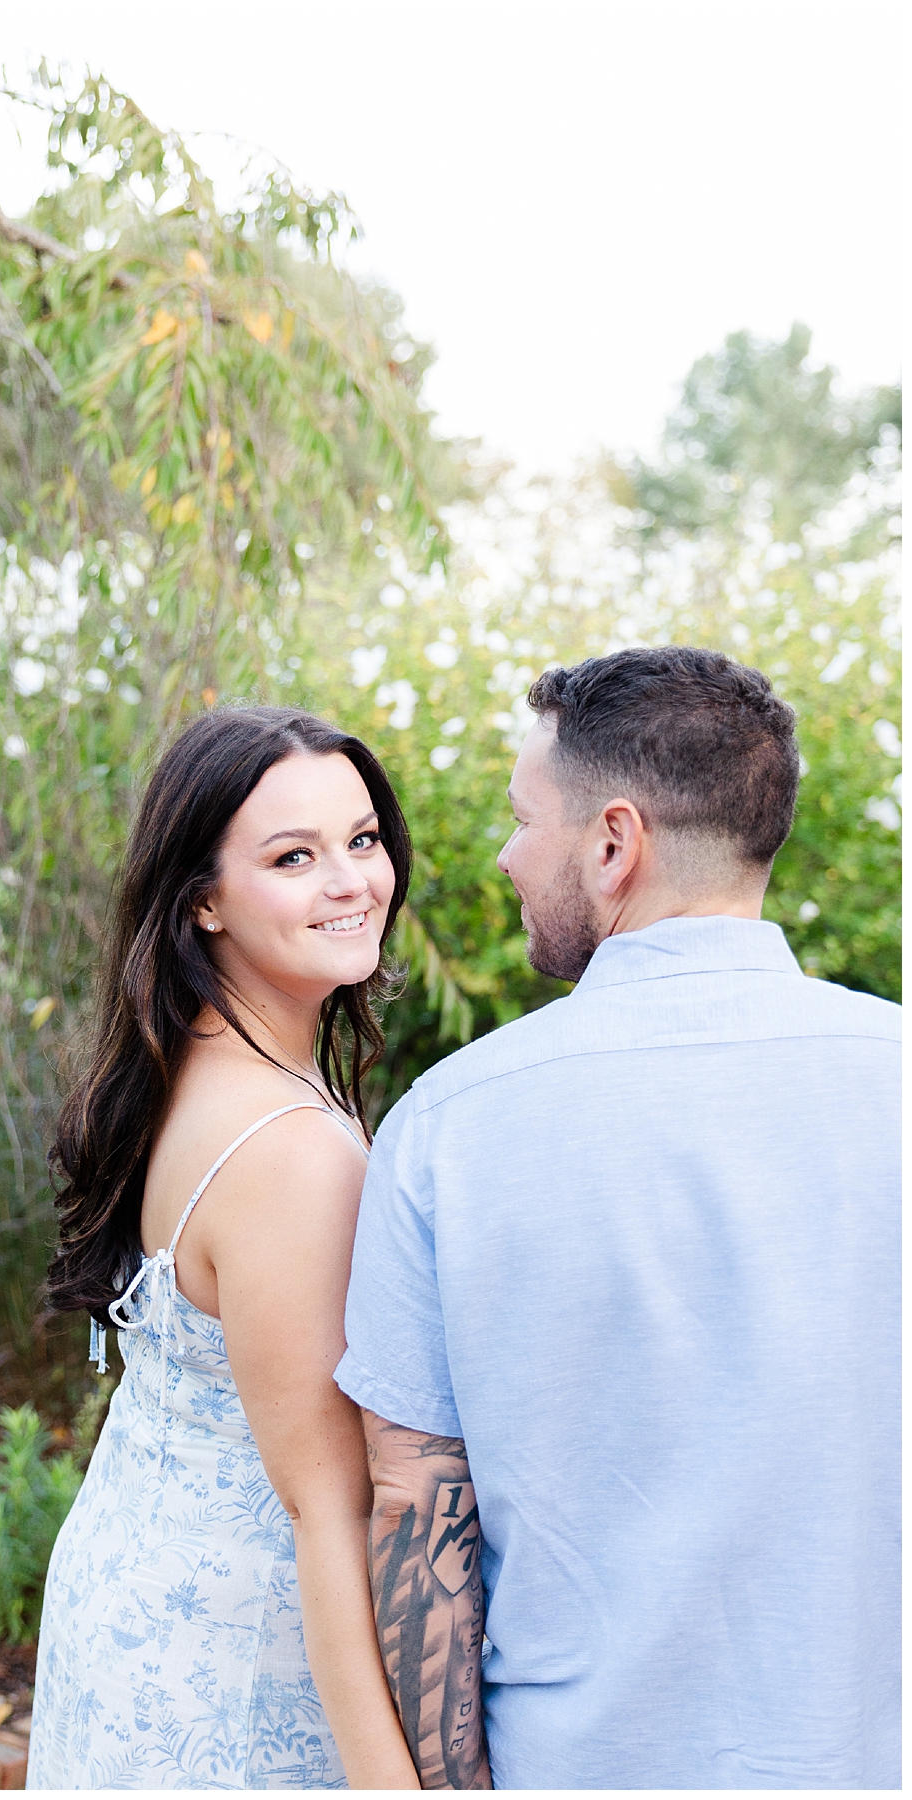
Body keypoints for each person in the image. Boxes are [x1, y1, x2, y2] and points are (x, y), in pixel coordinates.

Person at [339, 646, 901, 1788]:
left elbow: (411, 1502)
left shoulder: (448, 1126)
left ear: (611, 843)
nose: (503, 855)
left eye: (519, 819)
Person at [27, 706, 420, 1789]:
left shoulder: (181, 1071)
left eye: (361, 839)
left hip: (132, 1605)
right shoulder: (293, 1152)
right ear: (200, 898)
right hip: (235, 1674)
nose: (350, 881)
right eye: (293, 857)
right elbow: (327, 1509)